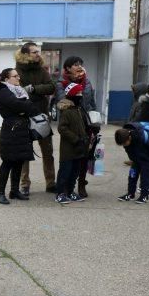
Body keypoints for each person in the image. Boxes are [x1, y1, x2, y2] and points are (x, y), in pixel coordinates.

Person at [0, 68, 38, 205]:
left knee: (19, 160)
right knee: (8, 161)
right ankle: (0, 193)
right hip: (11, 130)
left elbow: (30, 108)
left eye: (18, 76)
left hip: (21, 128)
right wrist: (24, 107)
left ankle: (14, 191)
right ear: (6, 79)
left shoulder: (18, 91)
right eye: (15, 76)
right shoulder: (3, 91)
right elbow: (17, 105)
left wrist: (24, 108)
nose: (18, 78)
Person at [15, 42, 56, 195]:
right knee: (25, 153)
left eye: (38, 52)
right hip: (25, 117)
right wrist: (34, 91)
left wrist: (34, 88)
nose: (38, 54)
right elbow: (19, 92)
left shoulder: (42, 70)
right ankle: (24, 184)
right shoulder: (17, 71)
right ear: (25, 54)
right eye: (34, 52)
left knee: (48, 151)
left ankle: (51, 183)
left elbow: (51, 87)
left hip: (42, 116)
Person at [56, 56, 99, 198]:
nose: (79, 66)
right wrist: (75, 85)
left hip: (87, 122)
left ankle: (80, 184)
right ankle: (63, 189)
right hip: (72, 123)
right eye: (75, 64)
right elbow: (64, 101)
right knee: (70, 158)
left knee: (85, 156)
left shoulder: (87, 81)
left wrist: (96, 120)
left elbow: (92, 102)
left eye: (80, 64)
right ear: (68, 68)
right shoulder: (62, 83)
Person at [54, 83, 89, 204]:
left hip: (78, 148)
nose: (81, 95)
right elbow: (62, 128)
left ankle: (70, 191)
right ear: (73, 95)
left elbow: (80, 126)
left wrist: (84, 138)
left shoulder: (78, 109)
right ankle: (60, 193)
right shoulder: (67, 111)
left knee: (75, 172)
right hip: (68, 149)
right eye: (78, 93)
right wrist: (75, 139)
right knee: (65, 171)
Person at [115, 123, 149, 204]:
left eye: (124, 143)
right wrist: (132, 160)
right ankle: (130, 194)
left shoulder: (144, 137)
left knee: (144, 178)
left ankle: (144, 196)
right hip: (136, 160)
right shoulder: (124, 139)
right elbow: (129, 151)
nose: (124, 145)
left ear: (129, 137)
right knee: (132, 176)